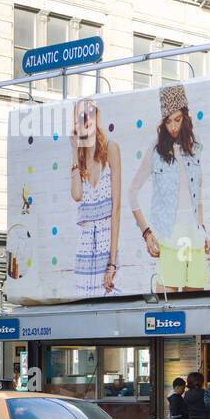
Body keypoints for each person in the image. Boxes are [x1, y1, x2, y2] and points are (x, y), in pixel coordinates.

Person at [129, 83, 210, 293]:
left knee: (195, 310)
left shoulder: (195, 147)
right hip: (170, 236)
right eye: (168, 121)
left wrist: (203, 230)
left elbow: (197, 196)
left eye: (177, 120)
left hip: (194, 238)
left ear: (185, 118)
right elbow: (132, 192)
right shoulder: (156, 151)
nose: (173, 126)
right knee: (168, 310)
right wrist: (147, 233)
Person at [68, 97, 122, 297]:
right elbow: (76, 195)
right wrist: (74, 151)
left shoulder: (111, 149)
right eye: (80, 117)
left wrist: (112, 262)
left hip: (106, 247)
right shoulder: (80, 160)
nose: (86, 120)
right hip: (84, 249)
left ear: (97, 116)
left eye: (89, 114)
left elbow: (116, 209)